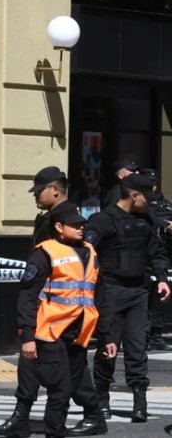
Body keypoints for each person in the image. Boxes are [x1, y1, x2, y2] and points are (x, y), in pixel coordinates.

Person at [0, 167, 104, 437]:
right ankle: (90, 414)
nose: (34, 196)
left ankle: (28, 417)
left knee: (51, 370)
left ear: (54, 189)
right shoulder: (51, 219)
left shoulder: (66, 221)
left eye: (38, 190)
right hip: (54, 314)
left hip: (60, 316)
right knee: (64, 372)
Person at [17, 203, 111, 438]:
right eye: (75, 225)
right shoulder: (44, 253)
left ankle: (89, 419)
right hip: (51, 331)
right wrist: (27, 336)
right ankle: (54, 431)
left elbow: (100, 296)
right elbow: (27, 297)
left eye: (82, 223)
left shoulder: (90, 252)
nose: (81, 227)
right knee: (60, 388)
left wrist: (108, 336)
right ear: (59, 227)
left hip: (80, 332)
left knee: (74, 383)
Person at [86, 173, 171, 422]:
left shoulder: (144, 220)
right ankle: (101, 399)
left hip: (137, 293)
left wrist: (162, 278)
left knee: (137, 348)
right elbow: (87, 255)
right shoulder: (103, 221)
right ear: (134, 196)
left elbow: (156, 252)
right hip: (110, 292)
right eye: (148, 197)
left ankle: (139, 400)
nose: (151, 202)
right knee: (107, 348)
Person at [139, 168, 172, 351]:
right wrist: (165, 224)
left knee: (160, 297)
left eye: (153, 183)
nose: (152, 186)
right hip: (141, 257)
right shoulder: (139, 205)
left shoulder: (165, 205)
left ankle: (156, 334)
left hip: (162, 255)